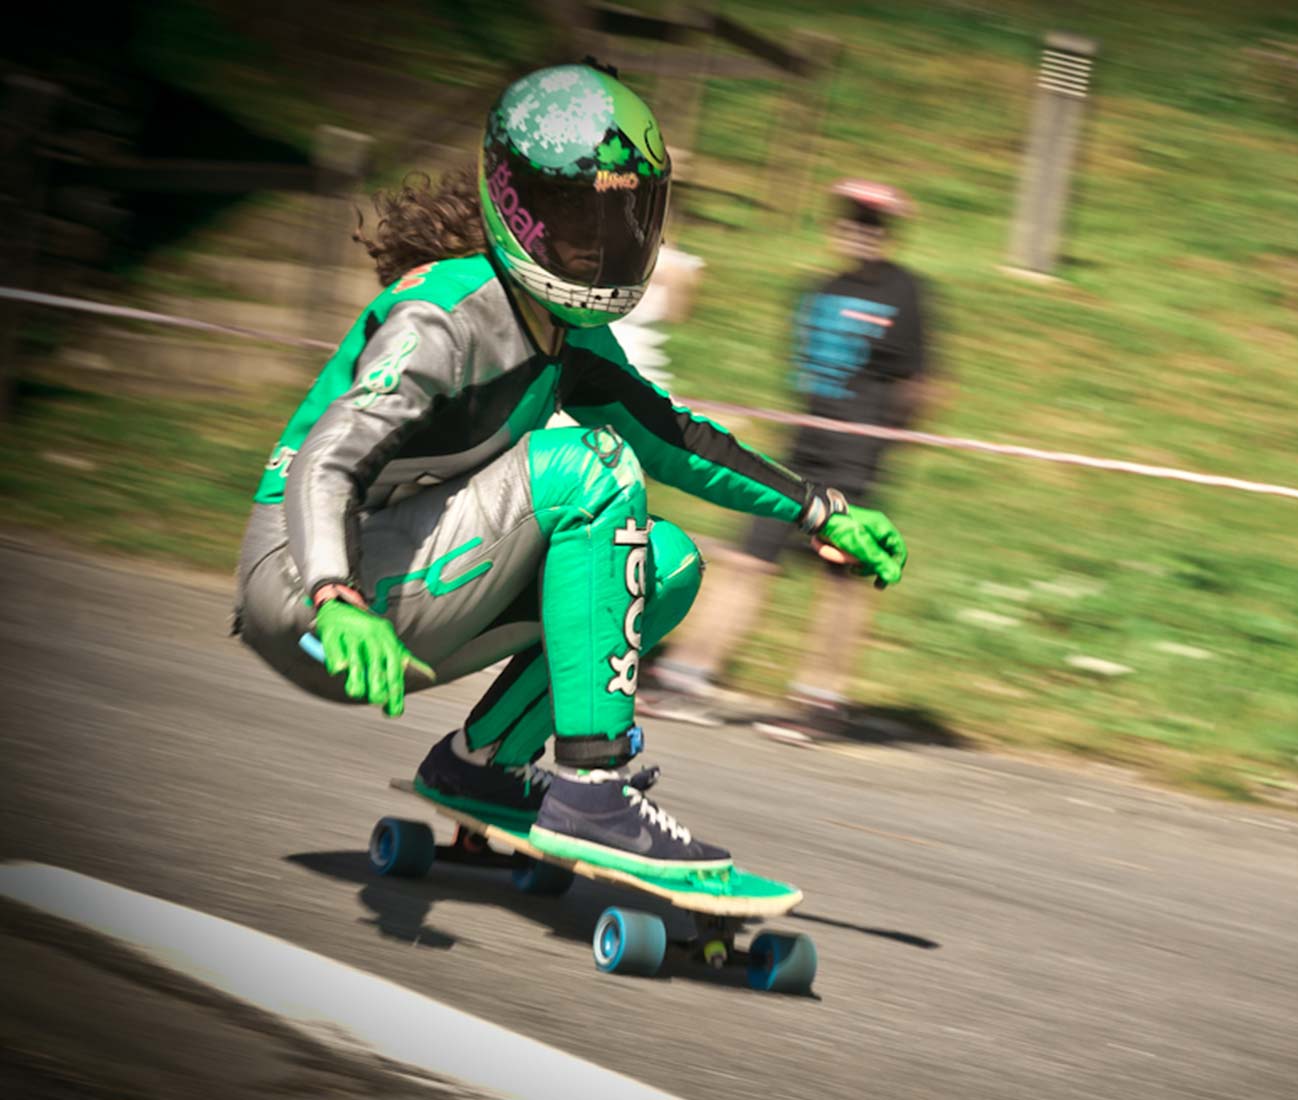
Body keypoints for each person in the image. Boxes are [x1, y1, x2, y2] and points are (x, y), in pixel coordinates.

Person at [232, 60, 907, 876]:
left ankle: (483, 767)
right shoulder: (442, 317)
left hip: (398, 576)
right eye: (579, 217)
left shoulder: (565, 330)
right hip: (306, 589)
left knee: (666, 565)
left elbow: (675, 438)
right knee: (589, 466)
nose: (607, 243)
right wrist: (333, 595)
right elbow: (323, 463)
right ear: (514, 203)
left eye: (628, 216)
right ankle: (593, 787)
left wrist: (821, 511)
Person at [636, 179, 934, 744]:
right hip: (803, 452)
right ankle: (684, 677)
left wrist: (885, 449)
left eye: (873, 222)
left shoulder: (907, 291)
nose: (860, 230)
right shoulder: (816, 290)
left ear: (888, 232)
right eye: (852, 219)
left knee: (840, 575)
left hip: (857, 457)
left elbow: (921, 383)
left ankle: (823, 700)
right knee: (746, 557)